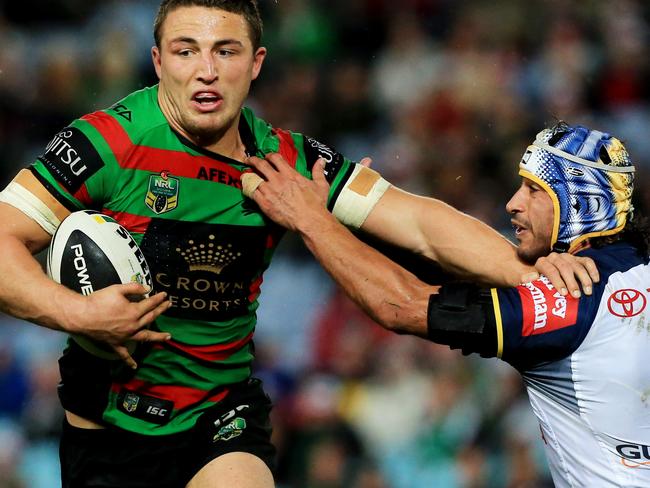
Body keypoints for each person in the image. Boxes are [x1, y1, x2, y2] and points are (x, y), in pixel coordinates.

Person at [0, 1, 597, 487]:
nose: (205, 70)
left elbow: (416, 221)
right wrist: (80, 314)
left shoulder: (288, 161)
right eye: (186, 51)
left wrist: (536, 274)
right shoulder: (104, 143)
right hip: (107, 427)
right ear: (158, 61)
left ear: (255, 63)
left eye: (225, 51)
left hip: (218, 416)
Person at [244, 121, 650, 487]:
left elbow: (400, 306)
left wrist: (311, 220)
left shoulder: (569, 301)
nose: (513, 203)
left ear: (580, 202)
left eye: (534, 190)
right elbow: (430, 235)